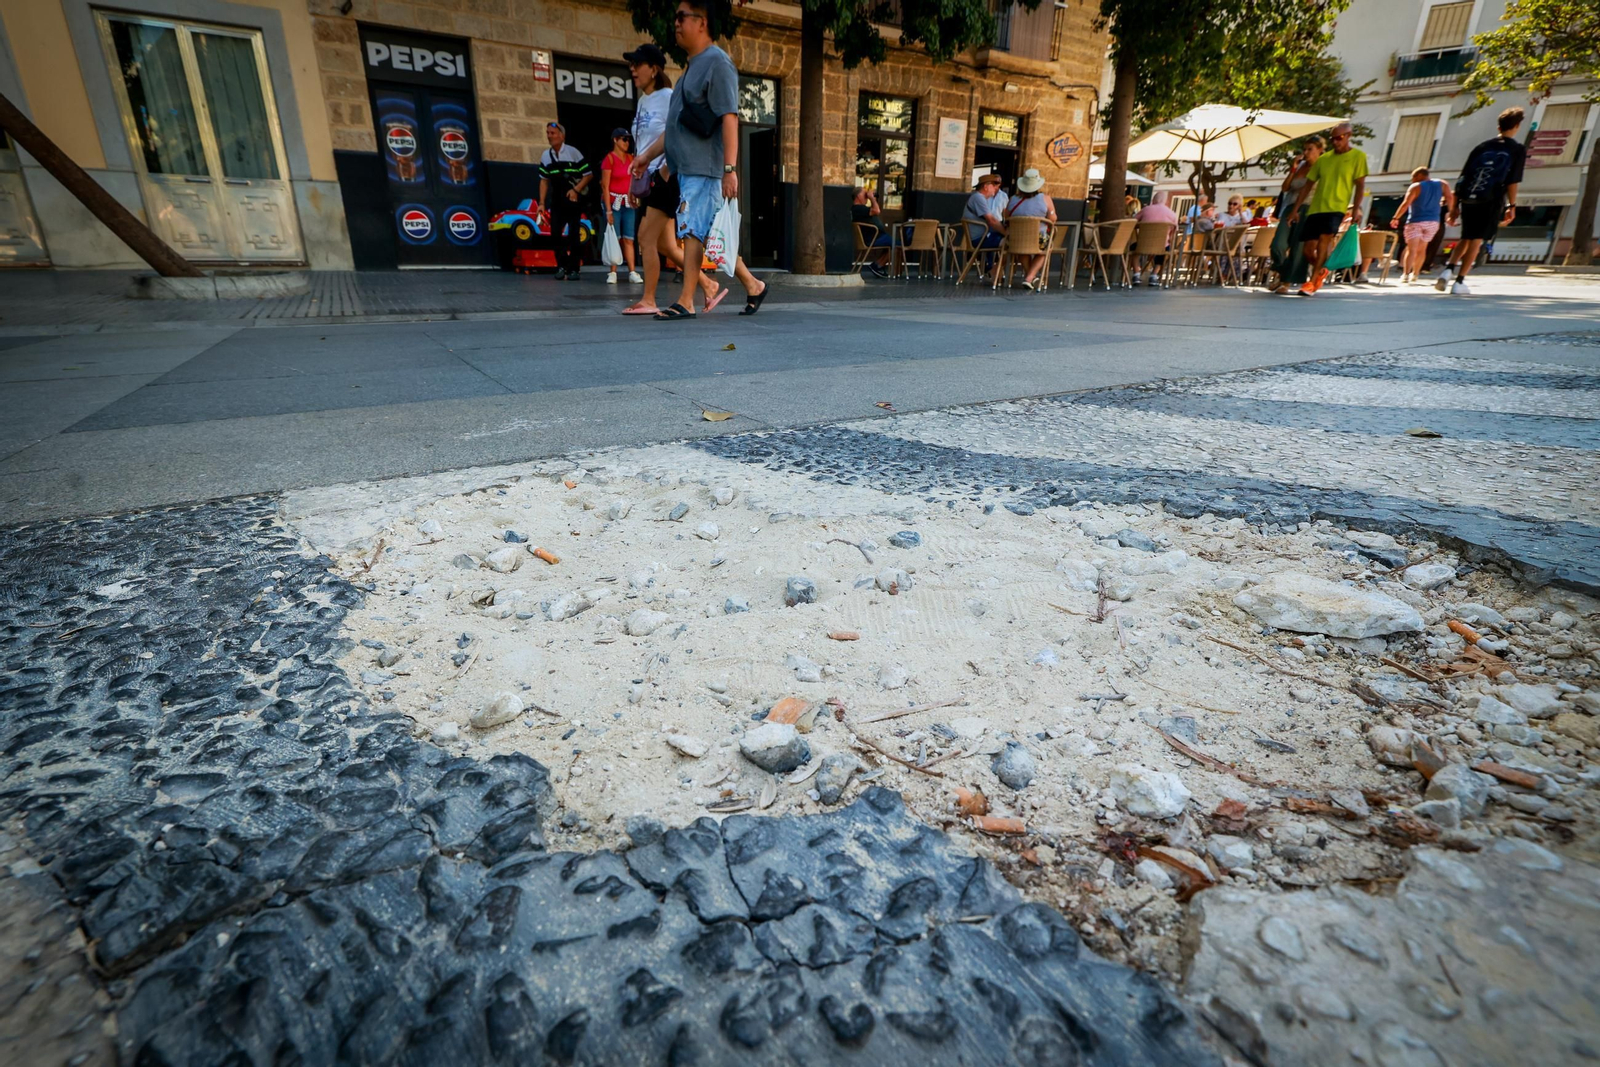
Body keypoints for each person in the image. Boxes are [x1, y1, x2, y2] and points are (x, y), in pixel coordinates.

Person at [633, 0, 767, 319]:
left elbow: (730, 117)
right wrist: (648, 158)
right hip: (687, 169)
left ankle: (686, 300)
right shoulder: (691, 68)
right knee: (706, 232)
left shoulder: (717, 63)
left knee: (695, 232)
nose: (676, 24)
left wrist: (730, 170)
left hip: (706, 168)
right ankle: (754, 285)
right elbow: (674, 127)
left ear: (702, 22)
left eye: (682, 17)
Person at [620, 43, 720, 316]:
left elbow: (676, 134)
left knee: (645, 237)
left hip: (665, 176)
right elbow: (642, 145)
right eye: (631, 64)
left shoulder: (668, 96)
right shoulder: (642, 101)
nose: (632, 69)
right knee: (664, 243)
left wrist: (665, 169)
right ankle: (708, 284)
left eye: (637, 64)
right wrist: (634, 178)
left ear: (653, 69)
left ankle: (649, 299)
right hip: (647, 177)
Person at [1434, 107, 1525, 296]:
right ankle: (1459, 281)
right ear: (1516, 126)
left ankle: (1448, 269)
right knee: (1477, 240)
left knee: (1466, 236)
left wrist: (1454, 206)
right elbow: (1513, 180)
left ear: (1498, 126)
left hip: (1469, 198)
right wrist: (1511, 205)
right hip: (1491, 198)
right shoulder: (1516, 149)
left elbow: (1464, 176)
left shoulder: (1482, 147)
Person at [1285, 122, 1367, 296]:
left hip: (1337, 207)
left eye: (1339, 138)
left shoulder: (1358, 157)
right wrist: (1295, 210)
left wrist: (1356, 209)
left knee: (1324, 242)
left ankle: (1312, 283)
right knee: (1308, 249)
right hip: (1316, 208)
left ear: (1348, 135)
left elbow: (1360, 185)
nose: (1335, 142)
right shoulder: (1324, 159)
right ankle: (1321, 271)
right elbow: (1308, 185)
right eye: (1333, 139)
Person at [538, 122, 592, 281]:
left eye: (553, 133)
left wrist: (575, 190)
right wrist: (541, 203)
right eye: (548, 133)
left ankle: (574, 269)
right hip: (556, 200)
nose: (549, 136)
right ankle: (561, 266)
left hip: (573, 199)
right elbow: (543, 180)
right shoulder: (545, 156)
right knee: (555, 233)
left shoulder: (573, 152)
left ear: (562, 135)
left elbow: (588, 174)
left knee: (574, 234)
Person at [1269, 136, 1323, 294]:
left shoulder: (1321, 167)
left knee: (1298, 248)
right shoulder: (1300, 166)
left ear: (1319, 150)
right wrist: (1293, 169)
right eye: (1304, 149)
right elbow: (1285, 188)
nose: (1306, 153)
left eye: (1310, 149)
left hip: (1309, 208)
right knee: (1277, 244)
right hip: (1289, 208)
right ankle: (1282, 272)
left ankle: (1285, 282)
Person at [1389, 165, 1453, 284]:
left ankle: (1406, 274)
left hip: (1416, 221)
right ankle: (1416, 274)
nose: (1412, 180)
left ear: (1419, 175)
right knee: (1422, 249)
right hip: (1433, 221)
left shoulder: (1416, 186)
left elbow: (1406, 203)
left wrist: (1395, 217)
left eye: (1413, 177)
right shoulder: (1442, 184)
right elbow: (1449, 197)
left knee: (1411, 249)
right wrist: (1450, 214)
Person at [999, 168, 1056, 290]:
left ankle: (1029, 276)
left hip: (1016, 240)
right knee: (1046, 248)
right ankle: (1030, 277)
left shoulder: (1013, 199)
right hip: (1038, 238)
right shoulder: (1045, 198)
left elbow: (1006, 217)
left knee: (1021, 247)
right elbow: (1052, 218)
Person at [600, 128, 641, 284]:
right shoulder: (609, 159)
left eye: (628, 139)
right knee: (614, 237)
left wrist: (635, 197)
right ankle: (613, 272)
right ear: (615, 140)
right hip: (614, 202)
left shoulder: (631, 158)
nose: (627, 142)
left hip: (628, 202)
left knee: (629, 238)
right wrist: (608, 210)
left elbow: (635, 179)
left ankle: (632, 271)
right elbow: (605, 186)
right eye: (623, 139)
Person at [1131, 189, 1179, 286]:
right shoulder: (1172, 214)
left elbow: (1133, 221)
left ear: (1153, 200)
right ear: (1165, 201)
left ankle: (1136, 273)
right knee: (1165, 250)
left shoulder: (1146, 209)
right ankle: (1154, 275)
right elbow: (1174, 230)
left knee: (1132, 249)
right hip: (1161, 245)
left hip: (1143, 244)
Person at [851, 186, 892, 277]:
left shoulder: (858, 209)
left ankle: (877, 265)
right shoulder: (858, 209)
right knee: (898, 245)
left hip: (876, 237)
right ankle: (878, 266)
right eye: (864, 194)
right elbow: (877, 211)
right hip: (874, 238)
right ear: (858, 196)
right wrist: (872, 199)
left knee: (892, 244)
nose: (866, 196)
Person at [963, 174, 1008, 249]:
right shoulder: (978, 197)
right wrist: (1006, 233)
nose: (996, 188)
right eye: (993, 185)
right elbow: (992, 220)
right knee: (1010, 243)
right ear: (986, 187)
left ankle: (990, 261)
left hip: (983, 236)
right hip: (979, 239)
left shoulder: (979, 197)